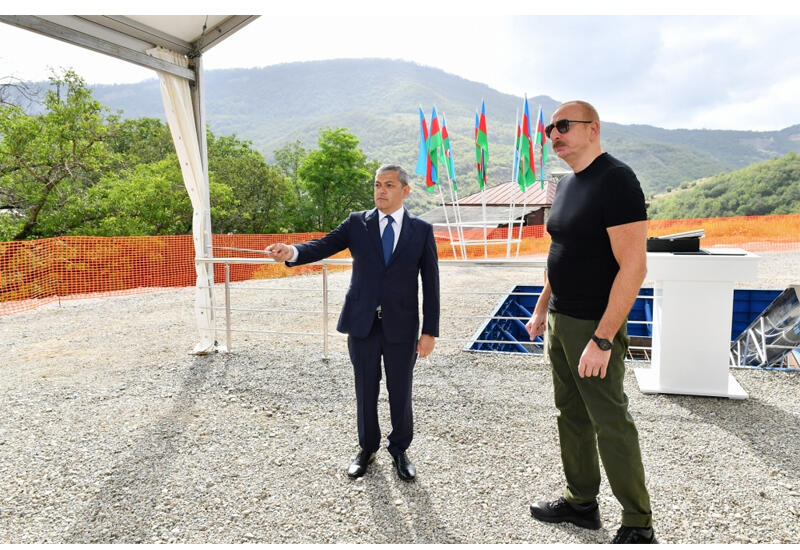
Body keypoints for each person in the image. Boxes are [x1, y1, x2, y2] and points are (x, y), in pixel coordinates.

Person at [525, 101, 656, 544]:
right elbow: (559, 251)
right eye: (550, 128)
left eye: (563, 126)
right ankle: (581, 503)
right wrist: (542, 307)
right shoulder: (565, 184)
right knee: (570, 414)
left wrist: (602, 338)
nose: (554, 135)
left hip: (593, 325)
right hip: (560, 319)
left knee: (610, 421)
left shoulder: (616, 180)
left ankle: (638, 523)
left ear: (593, 129)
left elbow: (634, 267)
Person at [266, 164, 439, 482]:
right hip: (362, 325)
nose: (381, 191)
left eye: (389, 185)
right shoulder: (357, 223)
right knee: (365, 389)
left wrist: (430, 331)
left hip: (402, 327)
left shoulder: (421, 231)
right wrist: (291, 251)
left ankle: (400, 450)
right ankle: (367, 448)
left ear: (405, 191)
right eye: (377, 184)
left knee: (400, 390)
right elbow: (321, 245)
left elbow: (431, 284)